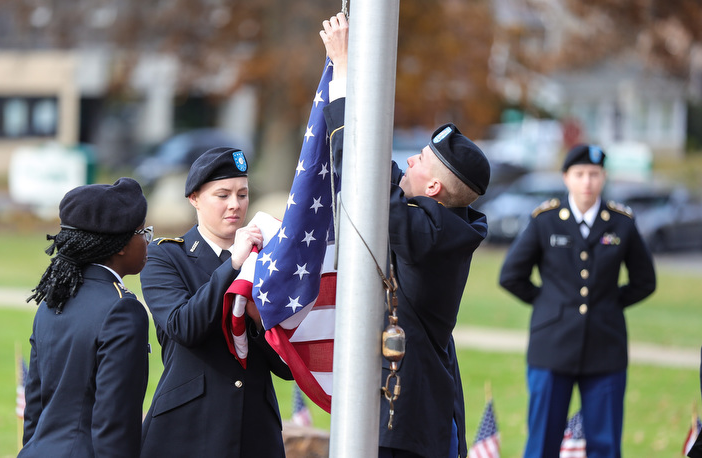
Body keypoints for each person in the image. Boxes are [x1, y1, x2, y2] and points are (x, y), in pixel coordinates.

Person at [320, 13, 491, 458]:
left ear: (433, 189)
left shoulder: (432, 234)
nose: (408, 164)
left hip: (406, 426)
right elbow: (376, 167)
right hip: (410, 418)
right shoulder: (439, 224)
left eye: (419, 160)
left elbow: (361, 175)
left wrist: (342, 71)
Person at [499, 144, 657, 457]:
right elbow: (511, 276)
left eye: (595, 175)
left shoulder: (621, 222)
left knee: (606, 444)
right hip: (551, 348)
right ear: (566, 178)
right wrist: (548, 304)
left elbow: (644, 281)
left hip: (606, 347)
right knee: (542, 442)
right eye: (580, 174)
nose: (588, 181)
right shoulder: (545, 220)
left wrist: (610, 303)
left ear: (604, 178)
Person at [139, 147, 294, 457]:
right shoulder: (166, 256)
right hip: (187, 430)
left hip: (254, 431)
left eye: (242, 194)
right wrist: (233, 264)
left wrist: (260, 321)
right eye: (222, 195)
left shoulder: (268, 261)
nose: (235, 205)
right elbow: (185, 327)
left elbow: (287, 366)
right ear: (194, 198)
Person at [20, 177, 151, 457]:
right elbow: (115, 423)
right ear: (121, 245)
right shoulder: (122, 310)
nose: (147, 241)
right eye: (143, 232)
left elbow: (34, 407)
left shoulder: (52, 300)